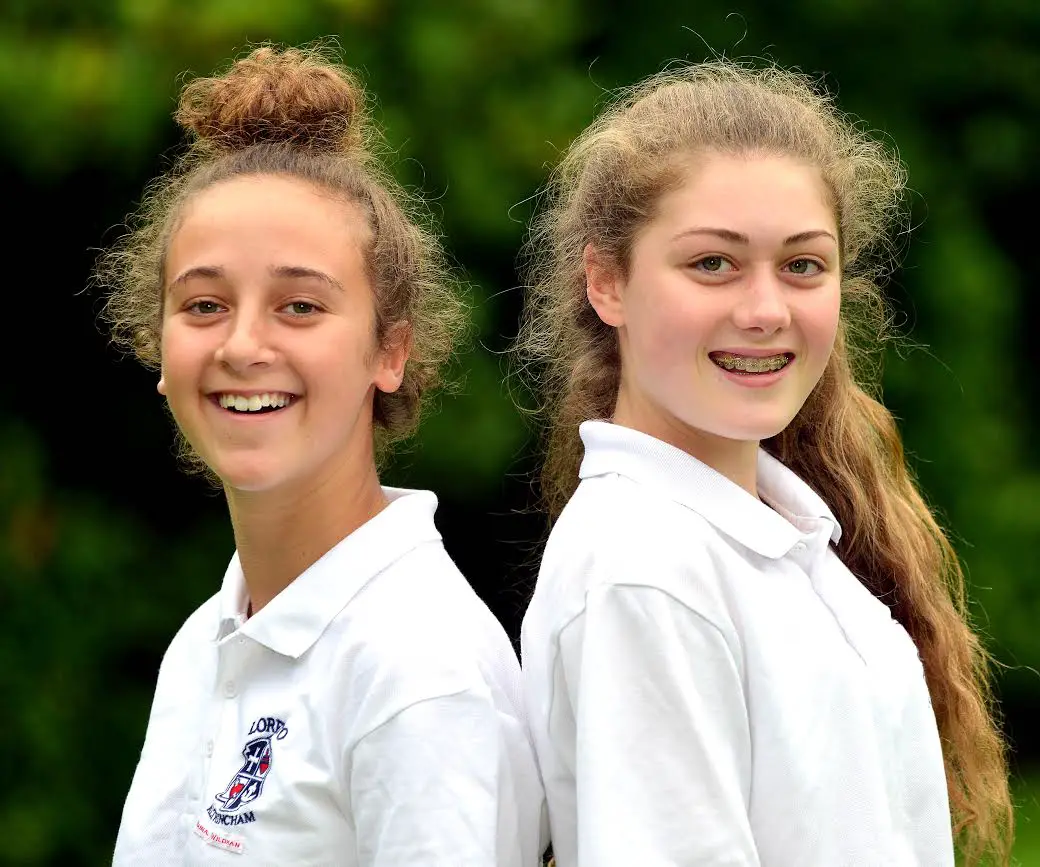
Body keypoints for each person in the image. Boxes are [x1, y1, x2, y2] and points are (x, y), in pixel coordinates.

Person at [515, 59, 1013, 866]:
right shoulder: (646, 565)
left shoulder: (782, 537)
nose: (764, 310)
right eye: (713, 262)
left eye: (803, 264)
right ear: (608, 282)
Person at [99, 44, 544, 866]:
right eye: (203, 304)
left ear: (390, 352)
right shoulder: (207, 642)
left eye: (300, 306)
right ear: (158, 348)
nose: (242, 343)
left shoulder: (418, 671)